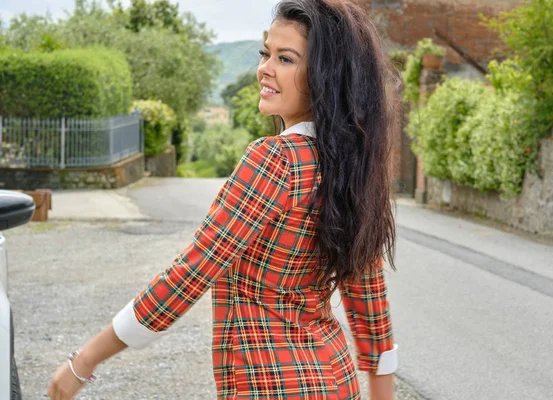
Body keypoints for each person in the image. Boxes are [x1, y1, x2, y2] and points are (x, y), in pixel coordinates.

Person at [48, 0, 400, 398]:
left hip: (272, 385)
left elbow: (191, 274)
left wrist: (85, 361)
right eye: (266, 53)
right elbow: (368, 295)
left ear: (325, 77)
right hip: (334, 379)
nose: (265, 68)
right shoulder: (354, 167)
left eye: (285, 59)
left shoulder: (276, 160)